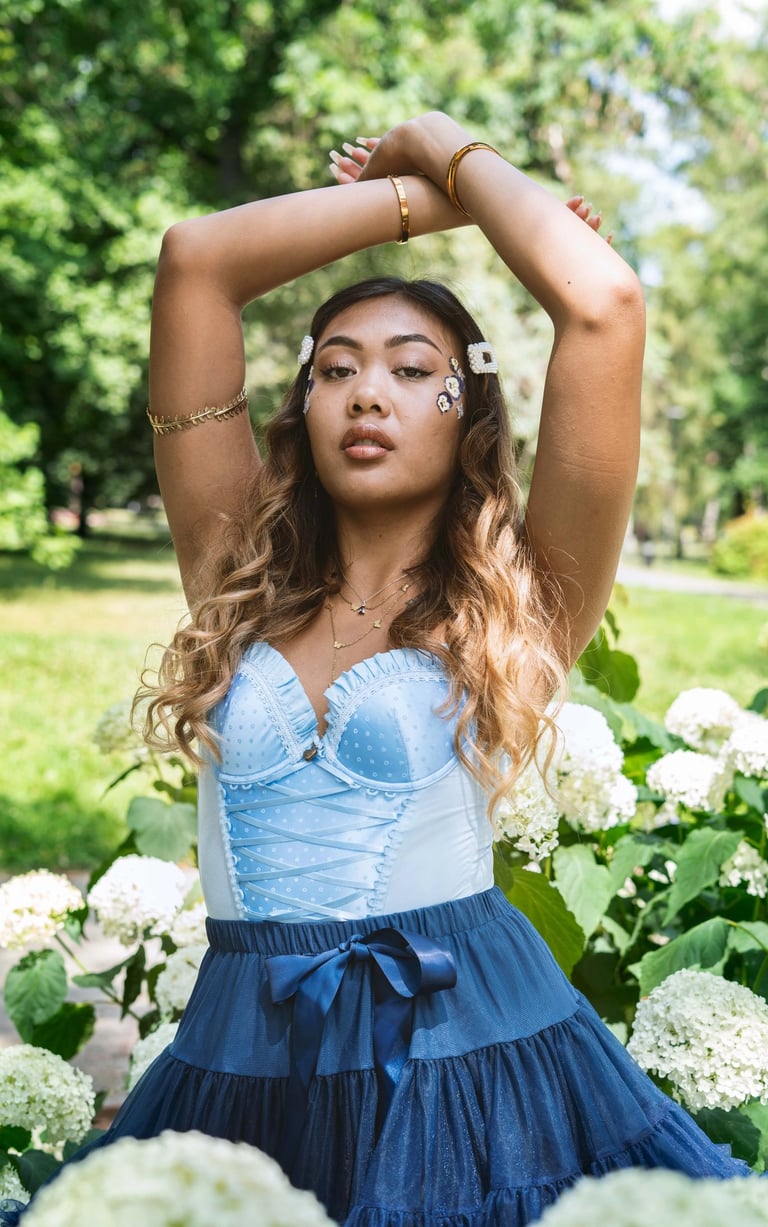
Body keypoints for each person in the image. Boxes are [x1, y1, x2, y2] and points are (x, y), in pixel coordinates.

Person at [1, 112, 754, 1226]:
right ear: (299, 409)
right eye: (337, 369)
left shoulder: (518, 605)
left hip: (473, 1060)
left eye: (415, 371)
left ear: (470, 417)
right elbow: (195, 264)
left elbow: (604, 304)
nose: (367, 393)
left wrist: (435, 138)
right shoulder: (235, 574)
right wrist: (432, 205)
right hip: (239, 1063)